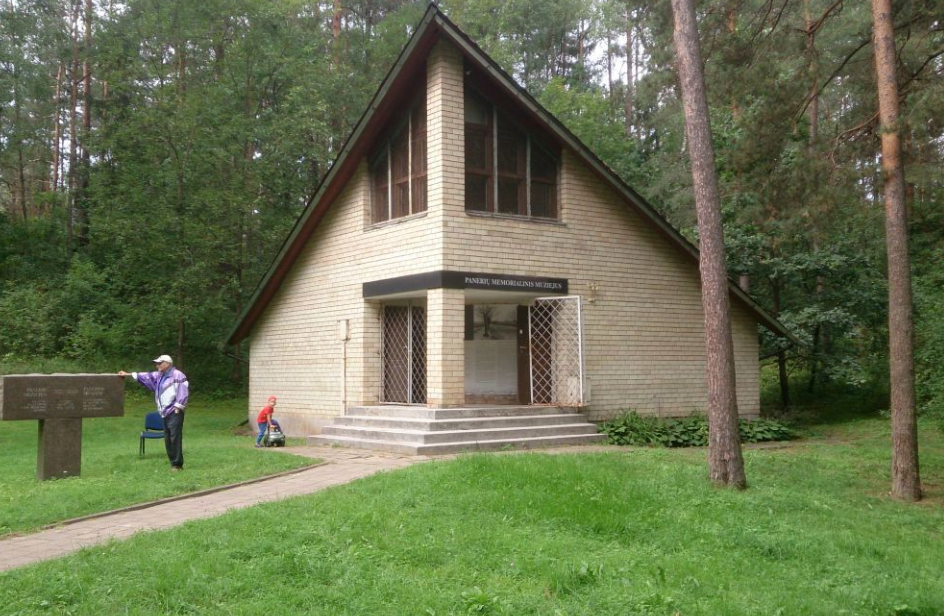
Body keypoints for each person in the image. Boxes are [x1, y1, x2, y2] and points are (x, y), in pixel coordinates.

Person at [118, 355, 189, 471]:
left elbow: (183, 390)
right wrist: (128, 375)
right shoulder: (159, 375)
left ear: (167, 363)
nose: (157, 365)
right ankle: (173, 462)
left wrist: (178, 406)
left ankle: (177, 464)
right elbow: (146, 376)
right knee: (168, 438)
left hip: (174, 411)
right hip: (164, 412)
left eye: (159, 363)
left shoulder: (178, 375)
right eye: (157, 363)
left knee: (174, 438)